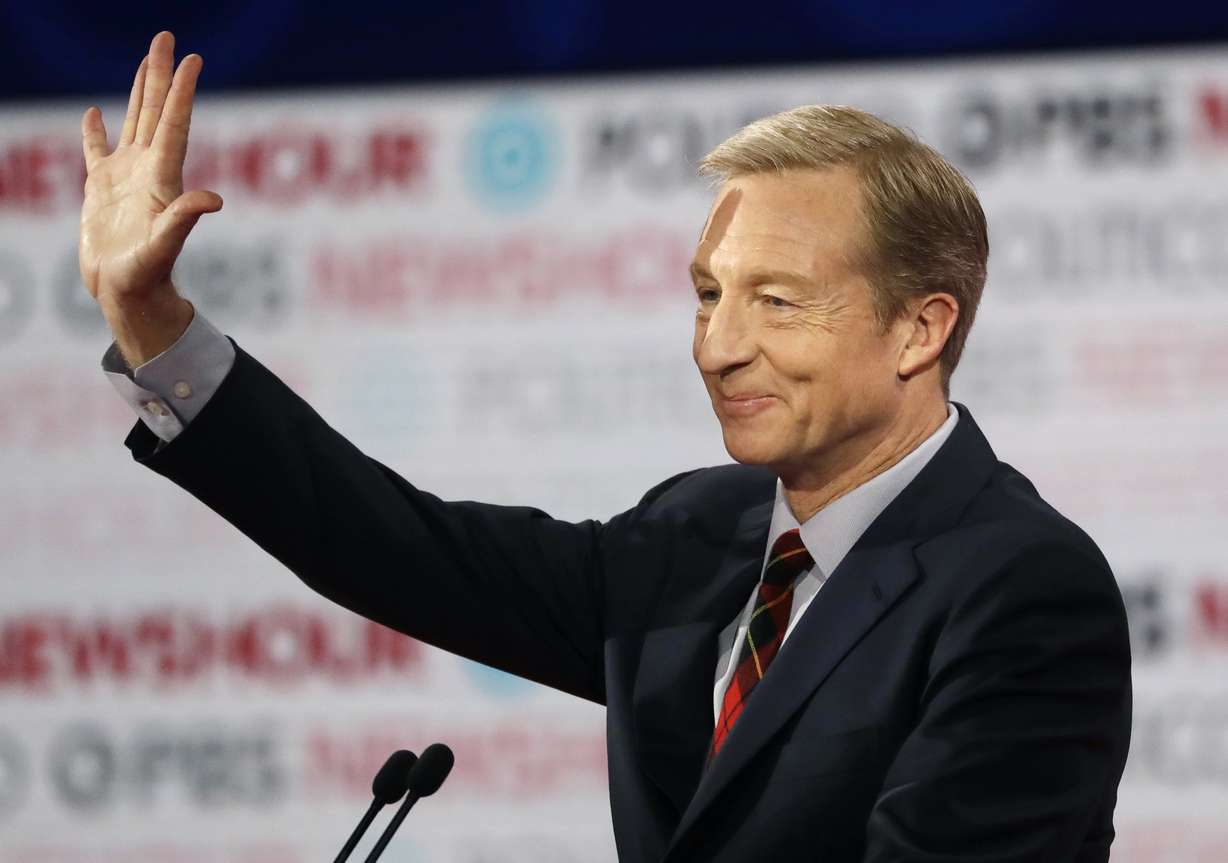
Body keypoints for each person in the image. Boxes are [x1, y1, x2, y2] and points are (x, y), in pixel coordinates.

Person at [82, 31, 1131, 863]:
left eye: (776, 300)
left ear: (920, 327)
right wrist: (155, 326)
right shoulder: (695, 532)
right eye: (708, 295)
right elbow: (395, 545)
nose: (720, 346)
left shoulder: (1020, 586)